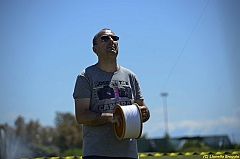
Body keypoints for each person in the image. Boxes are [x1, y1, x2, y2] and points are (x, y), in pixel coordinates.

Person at [73, 28, 150, 159]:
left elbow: (142, 111)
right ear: (95, 49)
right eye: (104, 38)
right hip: (97, 153)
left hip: (128, 154)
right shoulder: (86, 76)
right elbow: (81, 116)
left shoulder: (130, 76)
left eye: (114, 38)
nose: (111, 41)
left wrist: (145, 113)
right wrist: (111, 117)